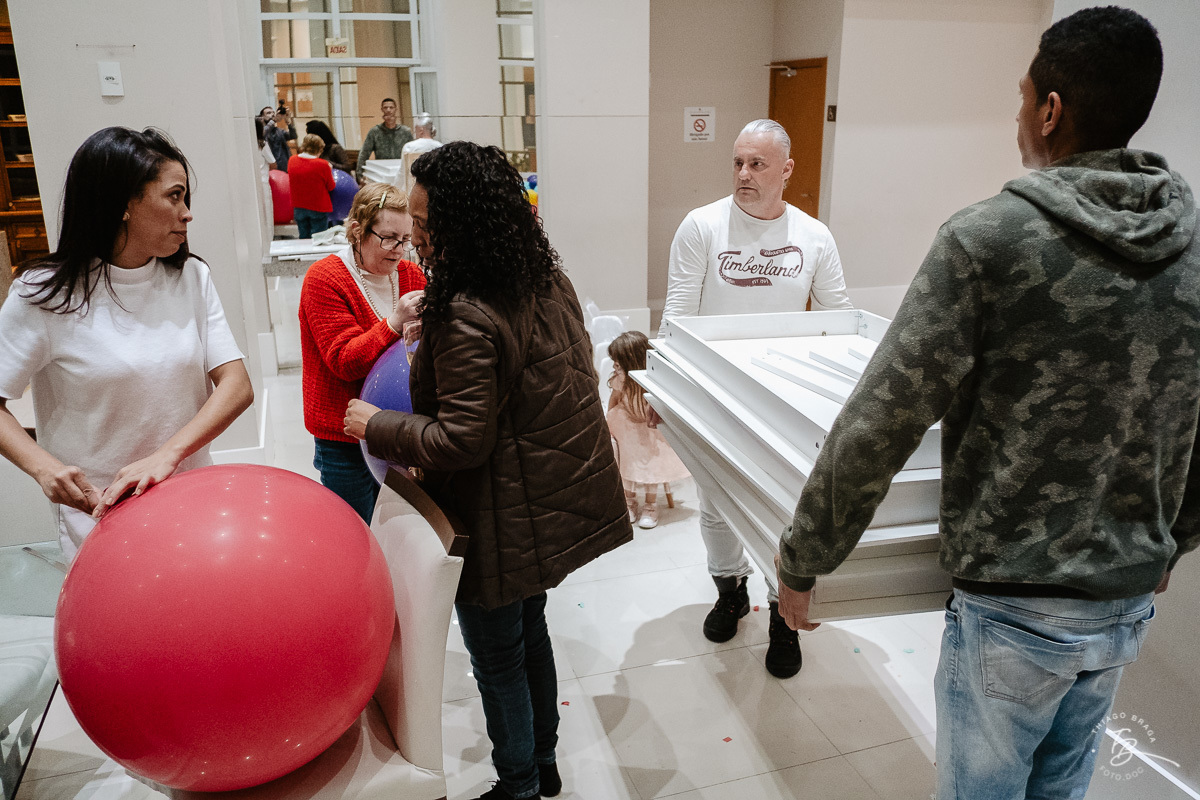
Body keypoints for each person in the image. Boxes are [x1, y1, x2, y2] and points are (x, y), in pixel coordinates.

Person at [774, 9, 1197, 800]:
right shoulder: (1193, 250)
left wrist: (805, 558)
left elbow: (882, 418)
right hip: (1122, 605)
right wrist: (1171, 543)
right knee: (1061, 790)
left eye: (1021, 97)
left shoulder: (988, 240)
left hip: (1012, 609)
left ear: (1051, 109)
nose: (1015, 116)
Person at [344, 142, 632, 800]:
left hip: (498, 517)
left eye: (424, 226)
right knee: (530, 633)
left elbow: (462, 439)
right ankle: (546, 763)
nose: (415, 241)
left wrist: (373, 423)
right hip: (544, 501)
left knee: (498, 658)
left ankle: (520, 785)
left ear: (463, 227)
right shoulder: (542, 279)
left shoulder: (465, 312)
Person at [0, 127, 254, 561]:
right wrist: (45, 469)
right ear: (123, 205)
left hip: (192, 497)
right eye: (174, 196)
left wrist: (166, 457)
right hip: (102, 512)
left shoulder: (191, 277)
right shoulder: (41, 294)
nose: (187, 213)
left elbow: (237, 386)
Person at [662, 117, 852, 679]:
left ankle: (781, 615)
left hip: (785, 401)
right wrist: (670, 391)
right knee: (716, 505)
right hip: (715, 394)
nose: (743, 174)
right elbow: (677, 316)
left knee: (784, 514)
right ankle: (730, 591)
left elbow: (839, 321)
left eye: (758, 164)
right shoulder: (701, 226)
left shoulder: (814, 236)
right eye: (738, 162)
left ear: (787, 170)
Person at [299, 182, 425, 524]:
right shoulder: (325, 279)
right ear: (357, 230)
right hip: (344, 440)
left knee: (401, 530)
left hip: (399, 430)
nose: (398, 250)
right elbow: (344, 362)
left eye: (405, 240)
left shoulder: (412, 275)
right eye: (388, 238)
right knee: (357, 529)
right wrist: (395, 322)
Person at [606, 331, 689, 529]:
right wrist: (608, 422)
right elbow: (614, 400)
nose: (614, 366)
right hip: (627, 426)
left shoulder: (652, 380)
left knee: (653, 462)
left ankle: (651, 504)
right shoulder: (621, 379)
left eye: (617, 362)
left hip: (649, 426)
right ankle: (629, 500)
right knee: (626, 461)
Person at [288, 133, 336, 239]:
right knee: (319, 239)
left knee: (304, 237)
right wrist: (330, 169)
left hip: (299, 206)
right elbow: (331, 186)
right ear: (319, 149)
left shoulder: (292, 160)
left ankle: (304, 255)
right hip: (318, 206)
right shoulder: (323, 165)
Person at [355, 98, 413, 184]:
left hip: (401, 173)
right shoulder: (375, 132)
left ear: (395, 109)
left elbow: (412, 154)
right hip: (381, 174)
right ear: (382, 109)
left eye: (391, 107)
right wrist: (359, 176)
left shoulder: (405, 132)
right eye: (385, 107)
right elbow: (364, 153)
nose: (388, 110)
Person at [260, 104, 296, 173]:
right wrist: (273, 120)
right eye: (268, 113)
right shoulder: (261, 131)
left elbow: (293, 136)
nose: (273, 114)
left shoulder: (279, 131)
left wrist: (288, 121)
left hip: (284, 167)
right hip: (270, 168)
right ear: (262, 117)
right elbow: (263, 134)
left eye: (273, 112)